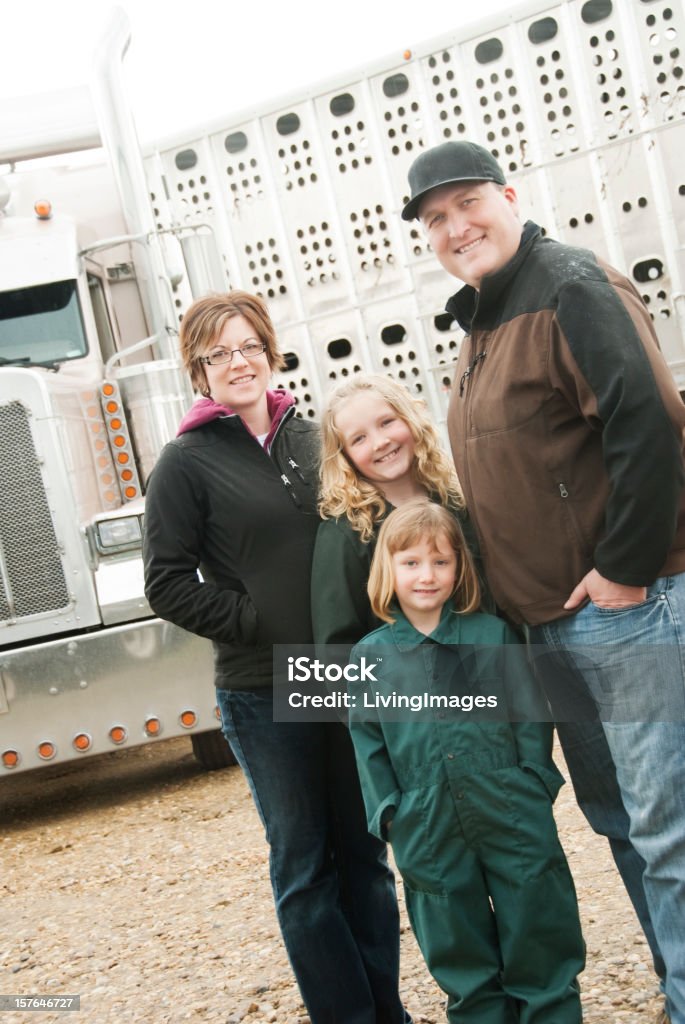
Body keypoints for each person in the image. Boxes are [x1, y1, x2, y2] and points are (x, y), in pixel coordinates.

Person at [401, 139, 685, 1023]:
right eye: (435, 219)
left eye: (467, 205)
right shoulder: (484, 318)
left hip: (623, 615)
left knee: (668, 832)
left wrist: (624, 569)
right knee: (621, 826)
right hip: (554, 628)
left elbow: (648, 420)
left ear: (508, 196)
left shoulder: (568, 286)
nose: (456, 227)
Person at [143, 291, 411, 1024]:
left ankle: (385, 1011)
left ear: (270, 349)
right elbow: (165, 583)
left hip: (341, 675)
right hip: (262, 687)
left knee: (364, 858)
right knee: (304, 868)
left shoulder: (314, 436)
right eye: (218, 353)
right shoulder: (184, 463)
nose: (238, 362)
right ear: (197, 371)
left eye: (249, 345)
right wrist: (254, 622)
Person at [348, 498, 585, 1024]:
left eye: (440, 562)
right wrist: (391, 811)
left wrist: (533, 780)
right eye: (411, 563)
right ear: (388, 570)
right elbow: (367, 742)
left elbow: (529, 711)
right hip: (425, 821)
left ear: (460, 569)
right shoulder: (370, 658)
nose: (426, 575)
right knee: (458, 948)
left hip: (509, 805)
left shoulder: (491, 635)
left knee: (539, 928)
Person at [311, 374, 480, 647]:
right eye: (359, 439)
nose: (380, 442)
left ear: (410, 419)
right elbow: (337, 644)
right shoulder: (346, 533)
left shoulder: (455, 501)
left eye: (386, 422)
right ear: (344, 457)